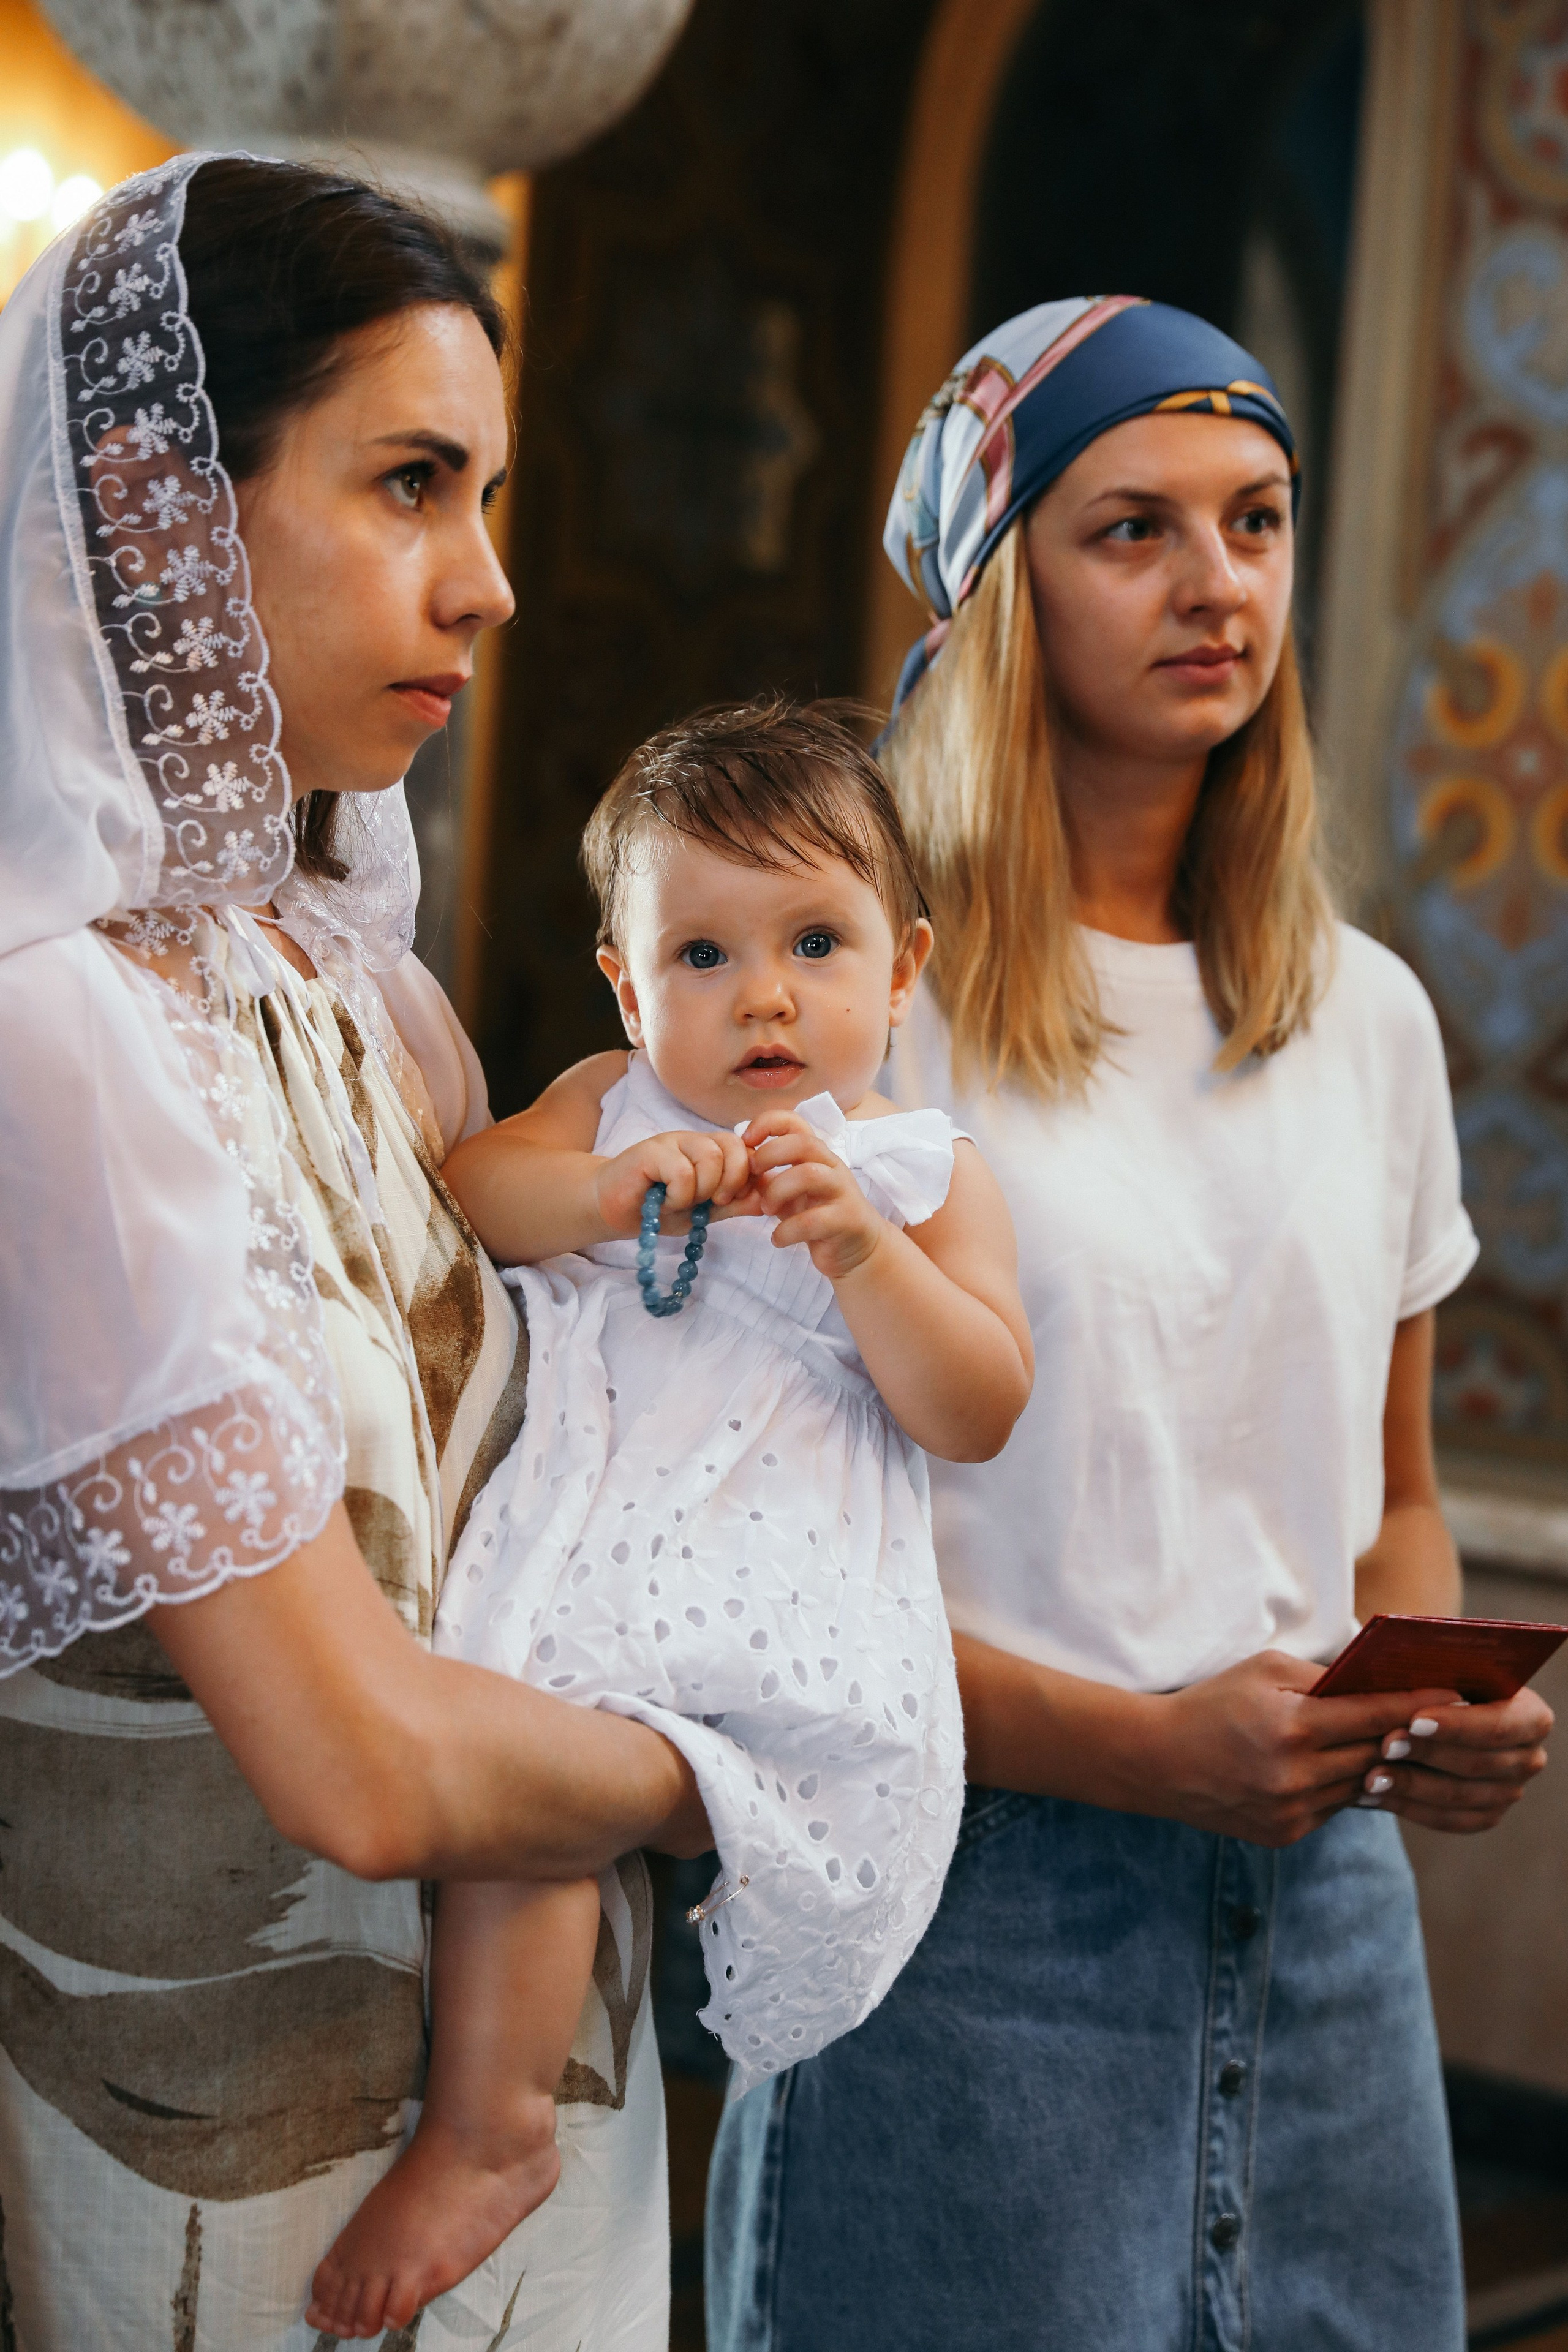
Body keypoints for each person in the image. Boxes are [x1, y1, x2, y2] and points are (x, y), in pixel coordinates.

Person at [705, 298, 1555, 2352]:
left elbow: (1398, 1499)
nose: (1219, 585)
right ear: (1001, 587)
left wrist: (1434, 1701)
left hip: (1328, 1925)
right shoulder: (846, 1014)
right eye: (1134, 530)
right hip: (965, 1920)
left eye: (1257, 521)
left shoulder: (1364, 1018)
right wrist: (1145, 1749)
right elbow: (748, 1593)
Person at [0, 155, 710, 2352]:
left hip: (554, 2142)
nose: (488, 584)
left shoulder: (364, 999)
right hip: (231, 2181)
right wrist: (774, 1755)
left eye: (488, 496)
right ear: (155, 505)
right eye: (411, 485)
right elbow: (367, 1760)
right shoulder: (57, 1032)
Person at [306, 699, 1029, 2340]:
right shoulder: (613, 1103)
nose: (762, 993)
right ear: (629, 986)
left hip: (788, 1573)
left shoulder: (917, 1170)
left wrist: (865, 1256)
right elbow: (474, 1193)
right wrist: (619, 1187)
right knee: (536, 1757)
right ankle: (493, 2128)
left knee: (569, 1742)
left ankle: (499, 2123)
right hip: (600, 1533)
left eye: (816, 942)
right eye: (699, 954)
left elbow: (978, 1401)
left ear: (902, 970)